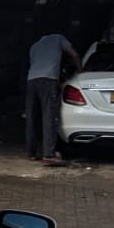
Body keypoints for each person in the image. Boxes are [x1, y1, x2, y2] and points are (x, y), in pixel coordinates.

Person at [25, 28, 79, 164]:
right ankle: (48, 154)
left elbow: (36, 64)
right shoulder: (58, 38)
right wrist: (80, 70)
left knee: (32, 117)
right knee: (49, 115)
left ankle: (31, 152)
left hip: (31, 80)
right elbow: (73, 54)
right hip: (48, 80)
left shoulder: (34, 45)